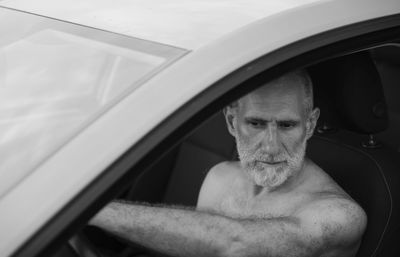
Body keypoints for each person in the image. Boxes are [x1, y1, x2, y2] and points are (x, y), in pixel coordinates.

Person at [89, 70, 367, 257]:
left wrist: (89, 210)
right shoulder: (219, 178)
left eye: (287, 125)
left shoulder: (340, 215)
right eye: (256, 123)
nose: (271, 146)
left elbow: (235, 244)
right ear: (232, 122)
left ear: (310, 125)